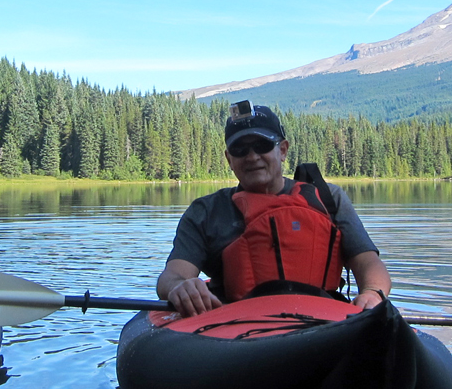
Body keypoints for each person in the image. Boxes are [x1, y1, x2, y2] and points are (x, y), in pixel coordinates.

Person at [156, 102, 392, 317]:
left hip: (324, 319)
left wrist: (372, 292)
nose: (252, 157)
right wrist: (180, 286)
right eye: (240, 149)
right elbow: (171, 276)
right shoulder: (205, 211)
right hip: (235, 328)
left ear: (283, 150)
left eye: (262, 145)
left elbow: (367, 261)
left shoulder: (329, 199)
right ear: (229, 159)